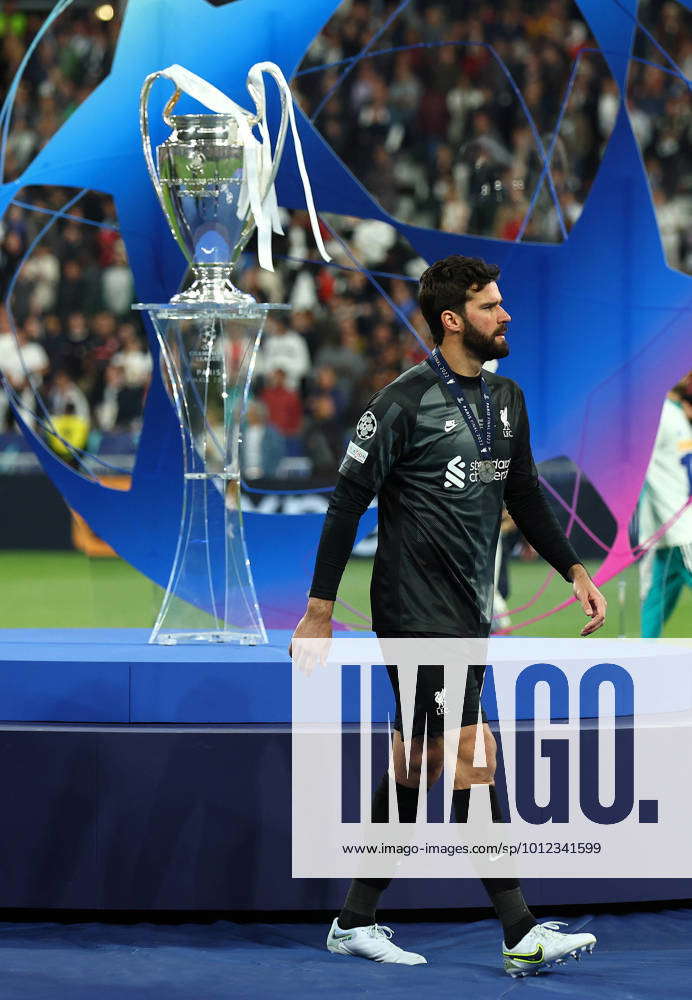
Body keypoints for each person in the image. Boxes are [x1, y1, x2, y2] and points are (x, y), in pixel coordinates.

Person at [291, 255, 606, 976]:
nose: (507, 315)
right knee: (470, 757)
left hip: (467, 612)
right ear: (453, 320)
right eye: (492, 306)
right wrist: (318, 611)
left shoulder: (508, 400)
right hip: (413, 611)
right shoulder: (401, 403)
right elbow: (346, 504)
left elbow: (523, 493)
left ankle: (354, 918)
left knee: (419, 762)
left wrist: (575, 570)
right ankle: (519, 930)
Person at [638, 374, 692, 637]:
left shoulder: (669, 413)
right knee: (655, 600)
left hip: (678, 527)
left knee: (656, 600)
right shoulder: (666, 413)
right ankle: (644, 661)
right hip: (674, 528)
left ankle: (645, 658)